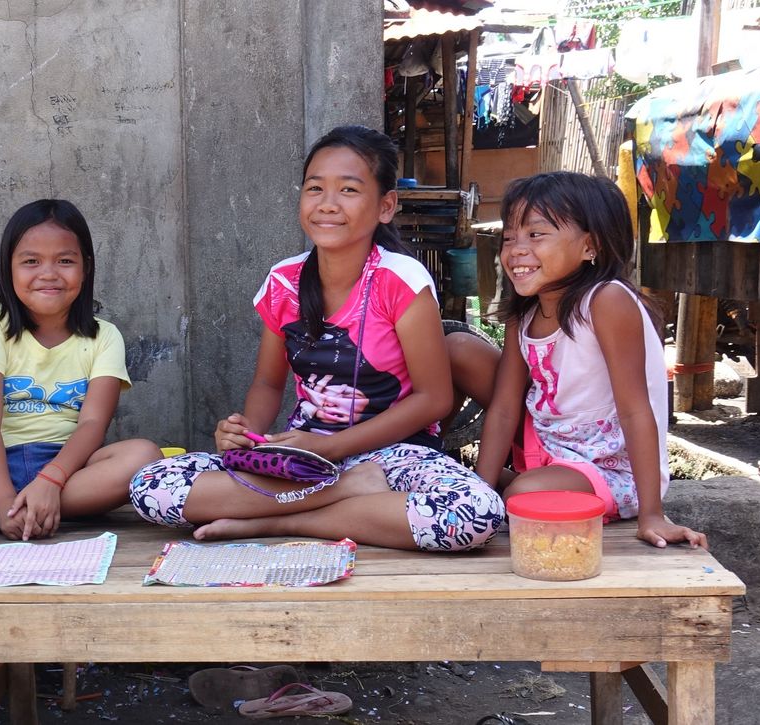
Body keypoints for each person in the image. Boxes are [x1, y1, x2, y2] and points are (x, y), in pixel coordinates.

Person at [130, 125, 503, 550]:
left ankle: (276, 523)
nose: (327, 204)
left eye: (348, 190)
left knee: (474, 512)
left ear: (385, 206)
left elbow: (433, 399)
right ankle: (340, 495)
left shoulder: (400, 279)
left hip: (391, 457)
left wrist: (336, 449)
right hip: (302, 457)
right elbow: (268, 384)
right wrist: (246, 434)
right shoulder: (284, 280)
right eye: (315, 188)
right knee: (151, 486)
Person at [0, 199, 160, 700]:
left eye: (65, 259)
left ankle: (5, 519)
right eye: (31, 260)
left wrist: (51, 480)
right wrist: (1, 498)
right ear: (9, 268)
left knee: (144, 455)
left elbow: (92, 425)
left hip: (68, 468)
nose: (49, 273)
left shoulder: (103, 337)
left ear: (86, 268)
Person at [474, 171, 707, 549]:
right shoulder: (526, 312)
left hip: (609, 466)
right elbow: (503, 408)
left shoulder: (606, 301)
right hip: (548, 443)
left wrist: (652, 513)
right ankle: (490, 483)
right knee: (458, 348)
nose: (516, 249)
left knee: (524, 496)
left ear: (589, 246)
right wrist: (477, 496)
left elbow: (635, 409)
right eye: (509, 237)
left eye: (535, 235)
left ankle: (517, 485)